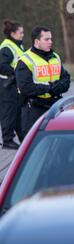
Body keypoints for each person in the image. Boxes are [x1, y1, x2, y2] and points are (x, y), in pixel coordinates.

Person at [16, 26, 70, 134]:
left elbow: (66, 79)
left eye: (51, 39)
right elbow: (25, 87)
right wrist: (49, 88)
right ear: (37, 41)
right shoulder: (25, 60)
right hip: (34, 109)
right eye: (46, 39)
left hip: (54, 106)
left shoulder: (55, 57)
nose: (51, 42)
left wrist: (58, 87)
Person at [0, 20, 25, 149]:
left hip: (13, 85)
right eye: (20, 33)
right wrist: (15, 73)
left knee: (17, 111)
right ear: (13, 33)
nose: (22, 35)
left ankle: (22, 137)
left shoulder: (16, 45)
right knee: (8, 112)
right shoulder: (7, 47)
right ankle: (7, 140)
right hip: (6, 85)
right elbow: (2, 65)